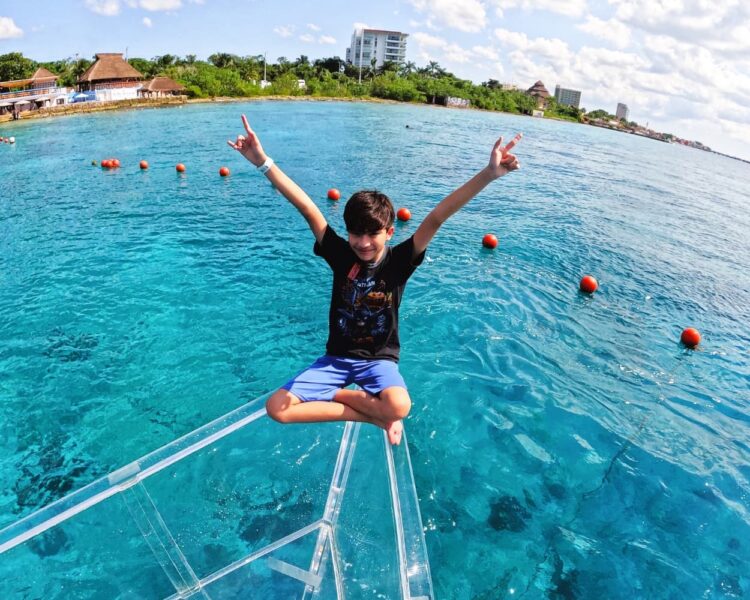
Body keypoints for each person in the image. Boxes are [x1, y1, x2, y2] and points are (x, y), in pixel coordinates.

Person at [228, 115, 521, 444]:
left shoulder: (400, 262)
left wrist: (489, 174)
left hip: (379, 361)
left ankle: (367, 407)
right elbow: (307, 207)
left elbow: (438, 216)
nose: (363, 243)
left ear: (390, 232)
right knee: (277, 408)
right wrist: (263, 162)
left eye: (373, 234)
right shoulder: (341, 255)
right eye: (355, 233)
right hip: (337, 360)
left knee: (400, 405)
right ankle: (373, 417)